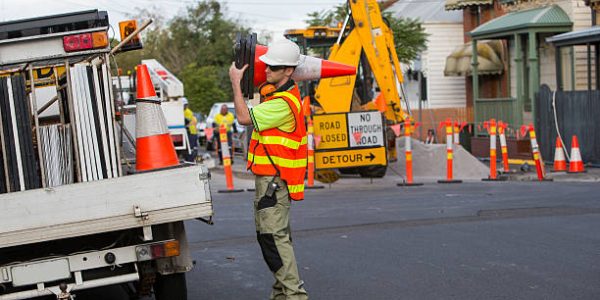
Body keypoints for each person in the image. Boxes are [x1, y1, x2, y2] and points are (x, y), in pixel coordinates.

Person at [229, 39, 309, 300]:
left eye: (273, 68)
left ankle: (295, 296)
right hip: (274, 182)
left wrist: (235, 83)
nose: (267, 71)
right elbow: (262, 95)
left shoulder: (282, 104)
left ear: (288, 71)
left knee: (273, 240)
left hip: (274, 183)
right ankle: (281, 296)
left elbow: (243, 118)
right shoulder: (280, 96)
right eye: (266, 66)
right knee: (273, 239)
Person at [182, 97, 198, 162]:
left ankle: (191, 161)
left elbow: (186, 121)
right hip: (190, 132)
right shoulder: (183, 111)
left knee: (191, 148)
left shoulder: (188, 112)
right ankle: (190, 160)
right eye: (184, 105)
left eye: (186, 105)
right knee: (190, 148)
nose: (185, 106)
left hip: (192, 132)